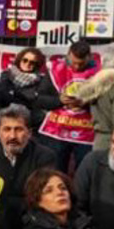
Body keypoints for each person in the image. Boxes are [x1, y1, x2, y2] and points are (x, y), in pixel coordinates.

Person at [0, 104, 57, 229]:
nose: (12, 136)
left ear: (29, 133)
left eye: (19, 129)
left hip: (31, 222)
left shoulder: (45, 156)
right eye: (7, 129)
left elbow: (42, 197)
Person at [37, 40, 98, 173]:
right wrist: (59, 100)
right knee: (55, 172)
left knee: (84, 172)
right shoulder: (55, 70)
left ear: (89, 57)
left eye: (81, 63)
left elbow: (104, 103)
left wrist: (86, 102)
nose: (76, 66)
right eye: (73, 62)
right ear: (68, 54)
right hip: (57, 131)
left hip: (86, 132)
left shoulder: (99, 73)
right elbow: (40, 99)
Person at [0, 47, 60, 131]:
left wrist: (16, 95)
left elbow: (40, 101)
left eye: (32, 62)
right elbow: (3, 95)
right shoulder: (6, 75)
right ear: (19, 60)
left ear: (37, 65)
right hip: (6, 120)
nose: (28, 64)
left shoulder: (42, 80)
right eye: (25, 60)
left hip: (30, 123)